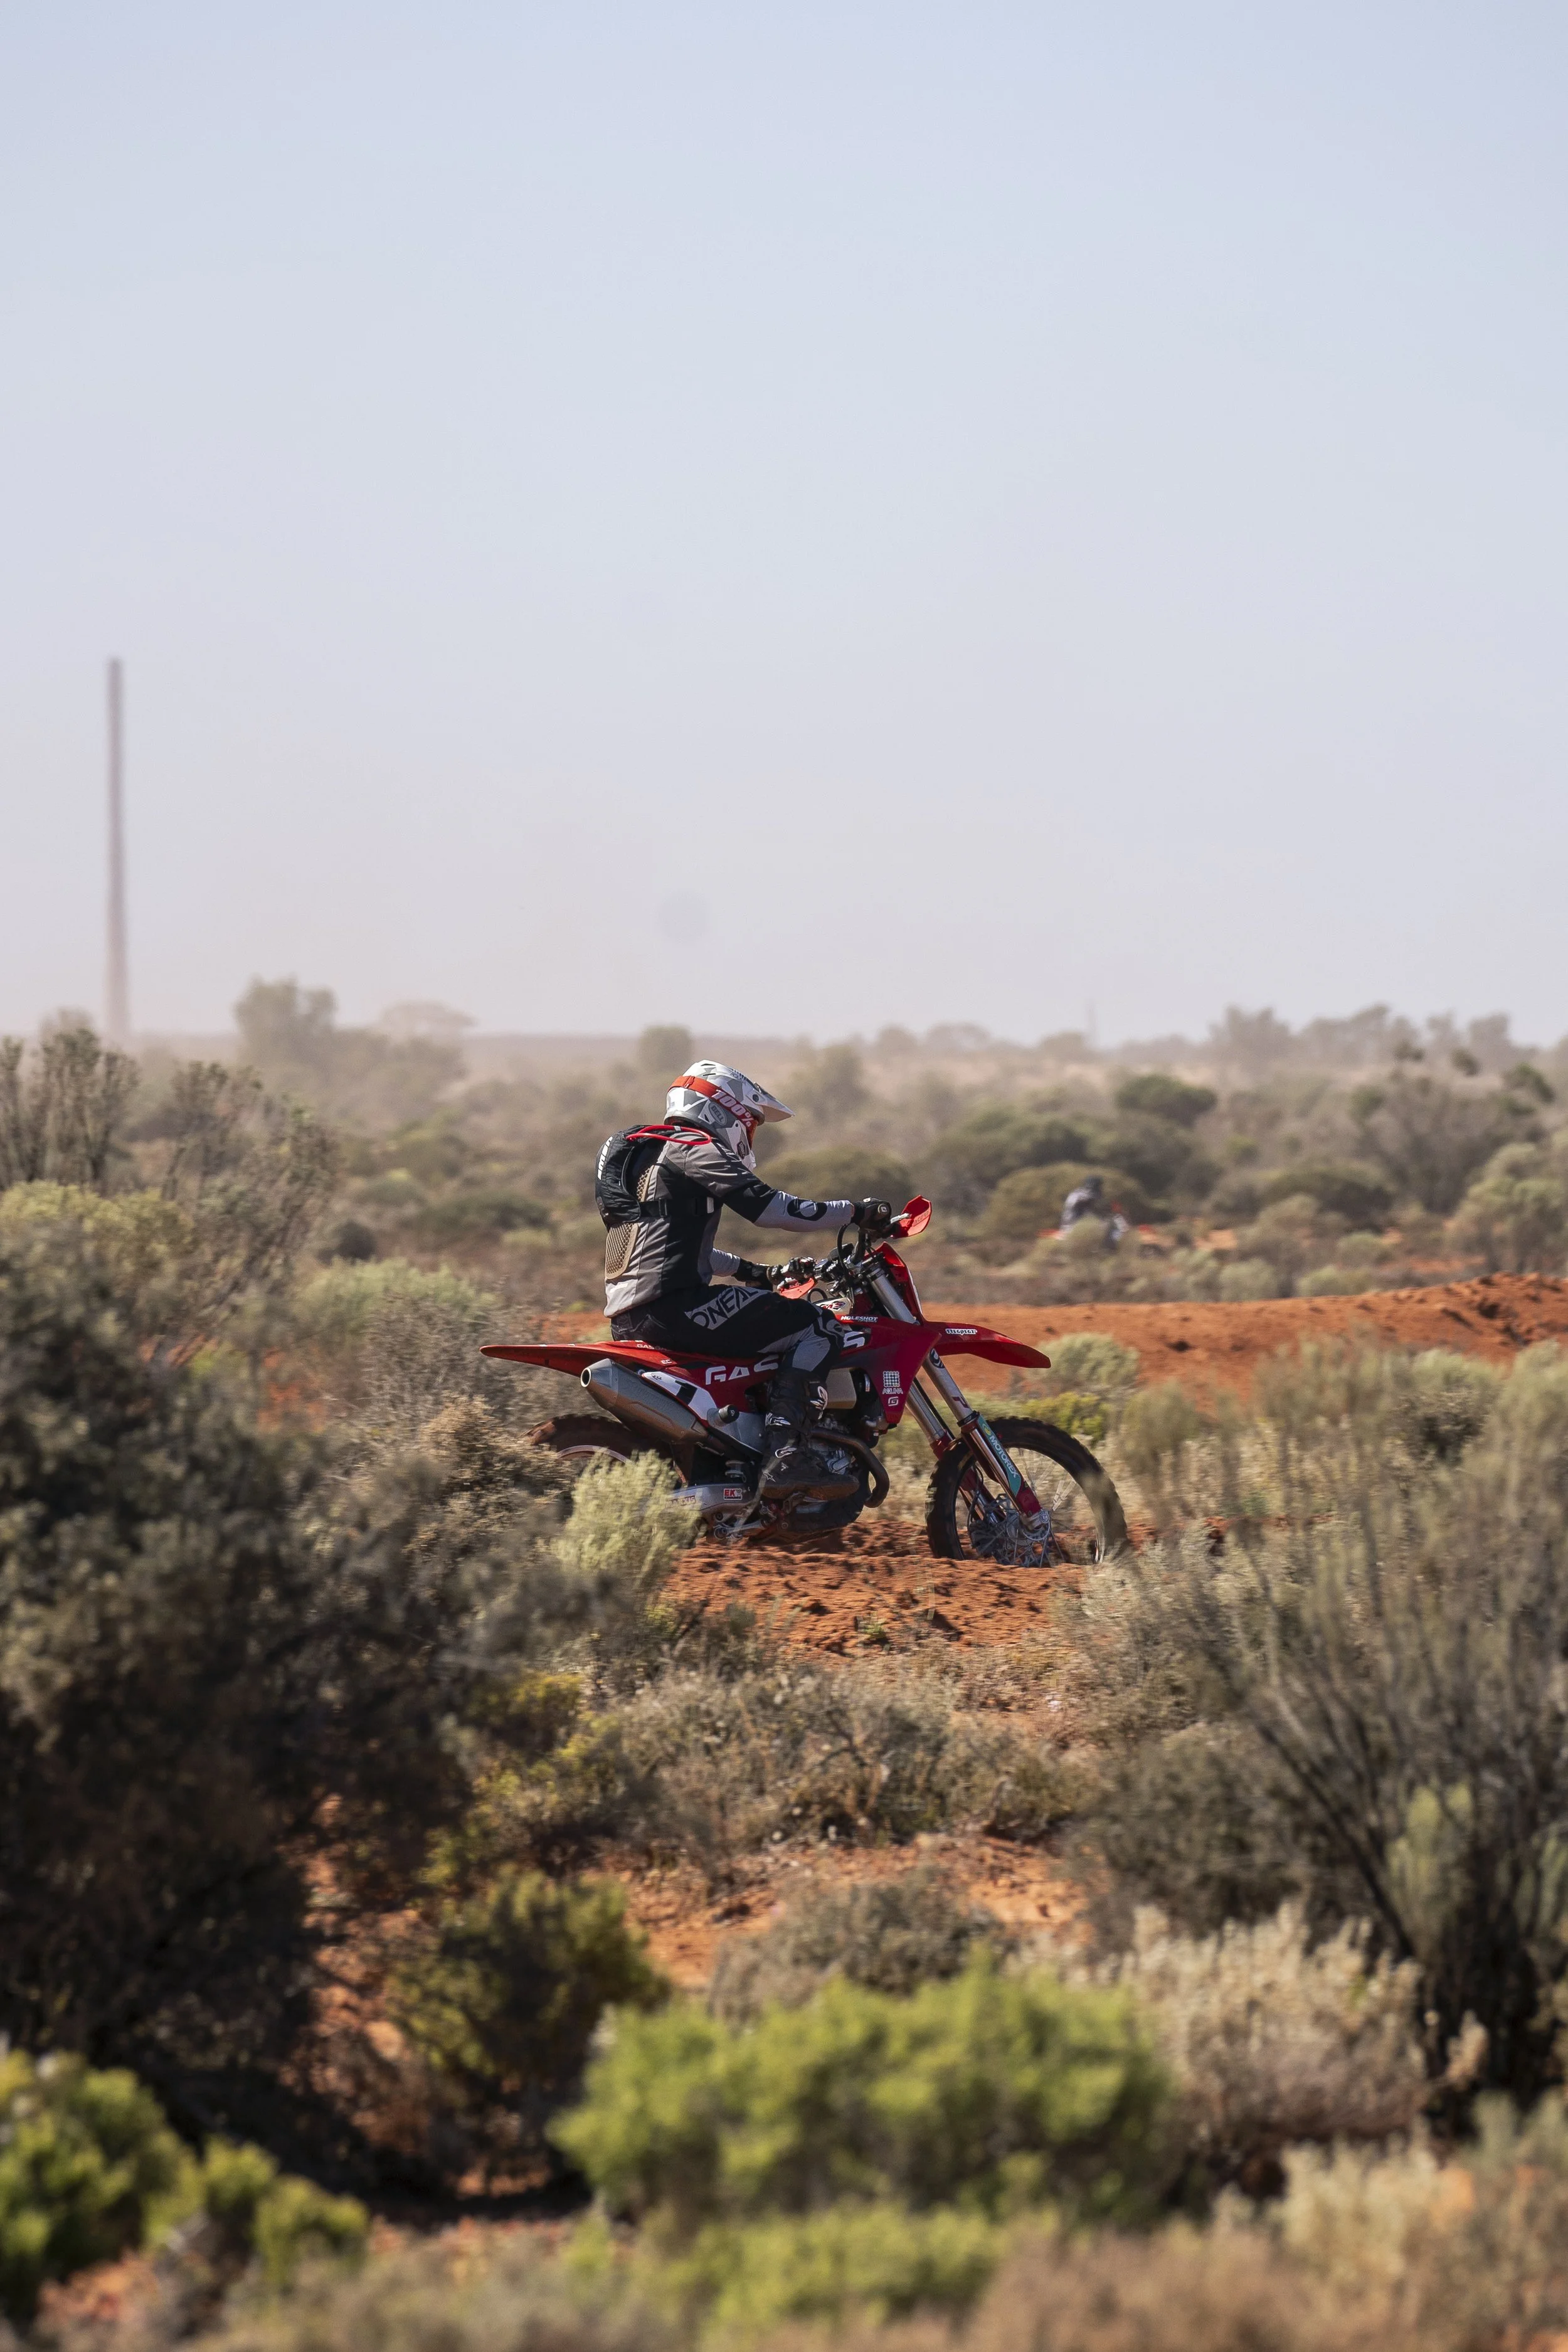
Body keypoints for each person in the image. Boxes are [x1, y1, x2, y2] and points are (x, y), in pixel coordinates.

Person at [597, 1061, 891, 1500]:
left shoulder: (650, 1154)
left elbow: (671, 1246)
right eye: (750, 1123)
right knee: (817, 1328)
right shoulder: (694, 1147)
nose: (749, 1134)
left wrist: (753, 1272)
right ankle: (787, 1456)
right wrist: (854, 1211)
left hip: (634, 1315)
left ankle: (741, 1454)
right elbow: (770, 1209)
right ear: (722, 1110)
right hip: (675, 1308)